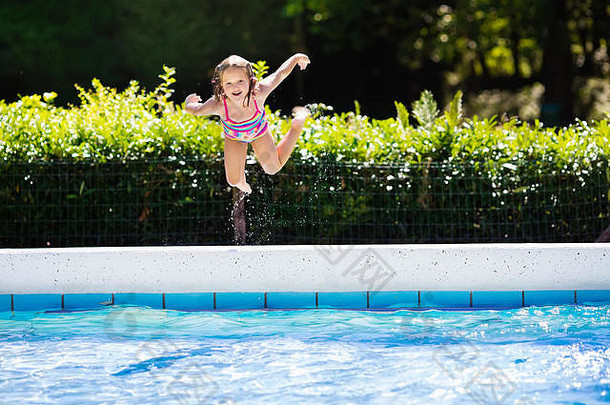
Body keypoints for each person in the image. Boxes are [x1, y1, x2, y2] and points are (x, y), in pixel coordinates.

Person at [184, 53, 311, 194]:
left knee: (272, 168)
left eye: (240, 81)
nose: (235, 87)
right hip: (234, 138)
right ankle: (242, 183)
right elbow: (197, 110)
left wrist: (296, 57)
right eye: (229, 83)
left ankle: (296, 127)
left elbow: (279, 74)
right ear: (221, 86)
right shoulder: (219, 104)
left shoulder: (259, 93)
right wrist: (188, 103)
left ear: (250, 81)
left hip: (259, 133)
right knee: (233, 181)